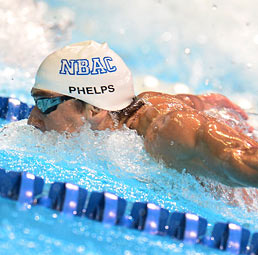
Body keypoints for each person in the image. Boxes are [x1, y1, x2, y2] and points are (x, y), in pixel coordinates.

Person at [28, 40, 258, 189]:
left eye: (45, 103)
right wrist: (207, 102)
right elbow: (191, 102)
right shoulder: (140, 110)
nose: (33, 118)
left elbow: (239, 159)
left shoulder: (168, 131)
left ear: (95, 109)